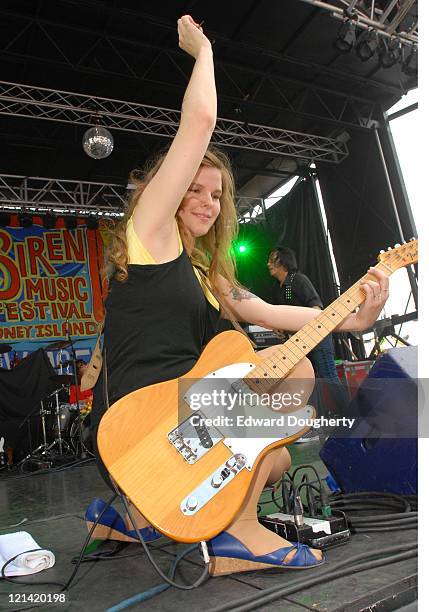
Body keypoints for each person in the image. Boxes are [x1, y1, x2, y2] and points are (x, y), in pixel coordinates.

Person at [86, 15, 389, 574]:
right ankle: (236, 538)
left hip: (182, 431)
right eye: (194, 189)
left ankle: (130, 515)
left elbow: (274, 312)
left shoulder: (209, 275)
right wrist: (203, 51)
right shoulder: (149, 234)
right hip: (138, 425)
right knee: (293, 378)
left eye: (217, 194)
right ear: (167, 193)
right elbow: (200, 121)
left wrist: (353, 315)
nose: (206, 201)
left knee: (271, 462)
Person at [267, 247, 350, 439]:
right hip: (298, 342)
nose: (269, 264)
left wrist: (306, 331)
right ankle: (313, 425)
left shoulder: (298, 280)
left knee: (328, 376)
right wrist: (280, 328)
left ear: (283, 261)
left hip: (316, 336)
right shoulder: (278, 288)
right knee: (309, 382)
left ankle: (351, 417)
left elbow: (315, 306)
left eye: (273, 259)